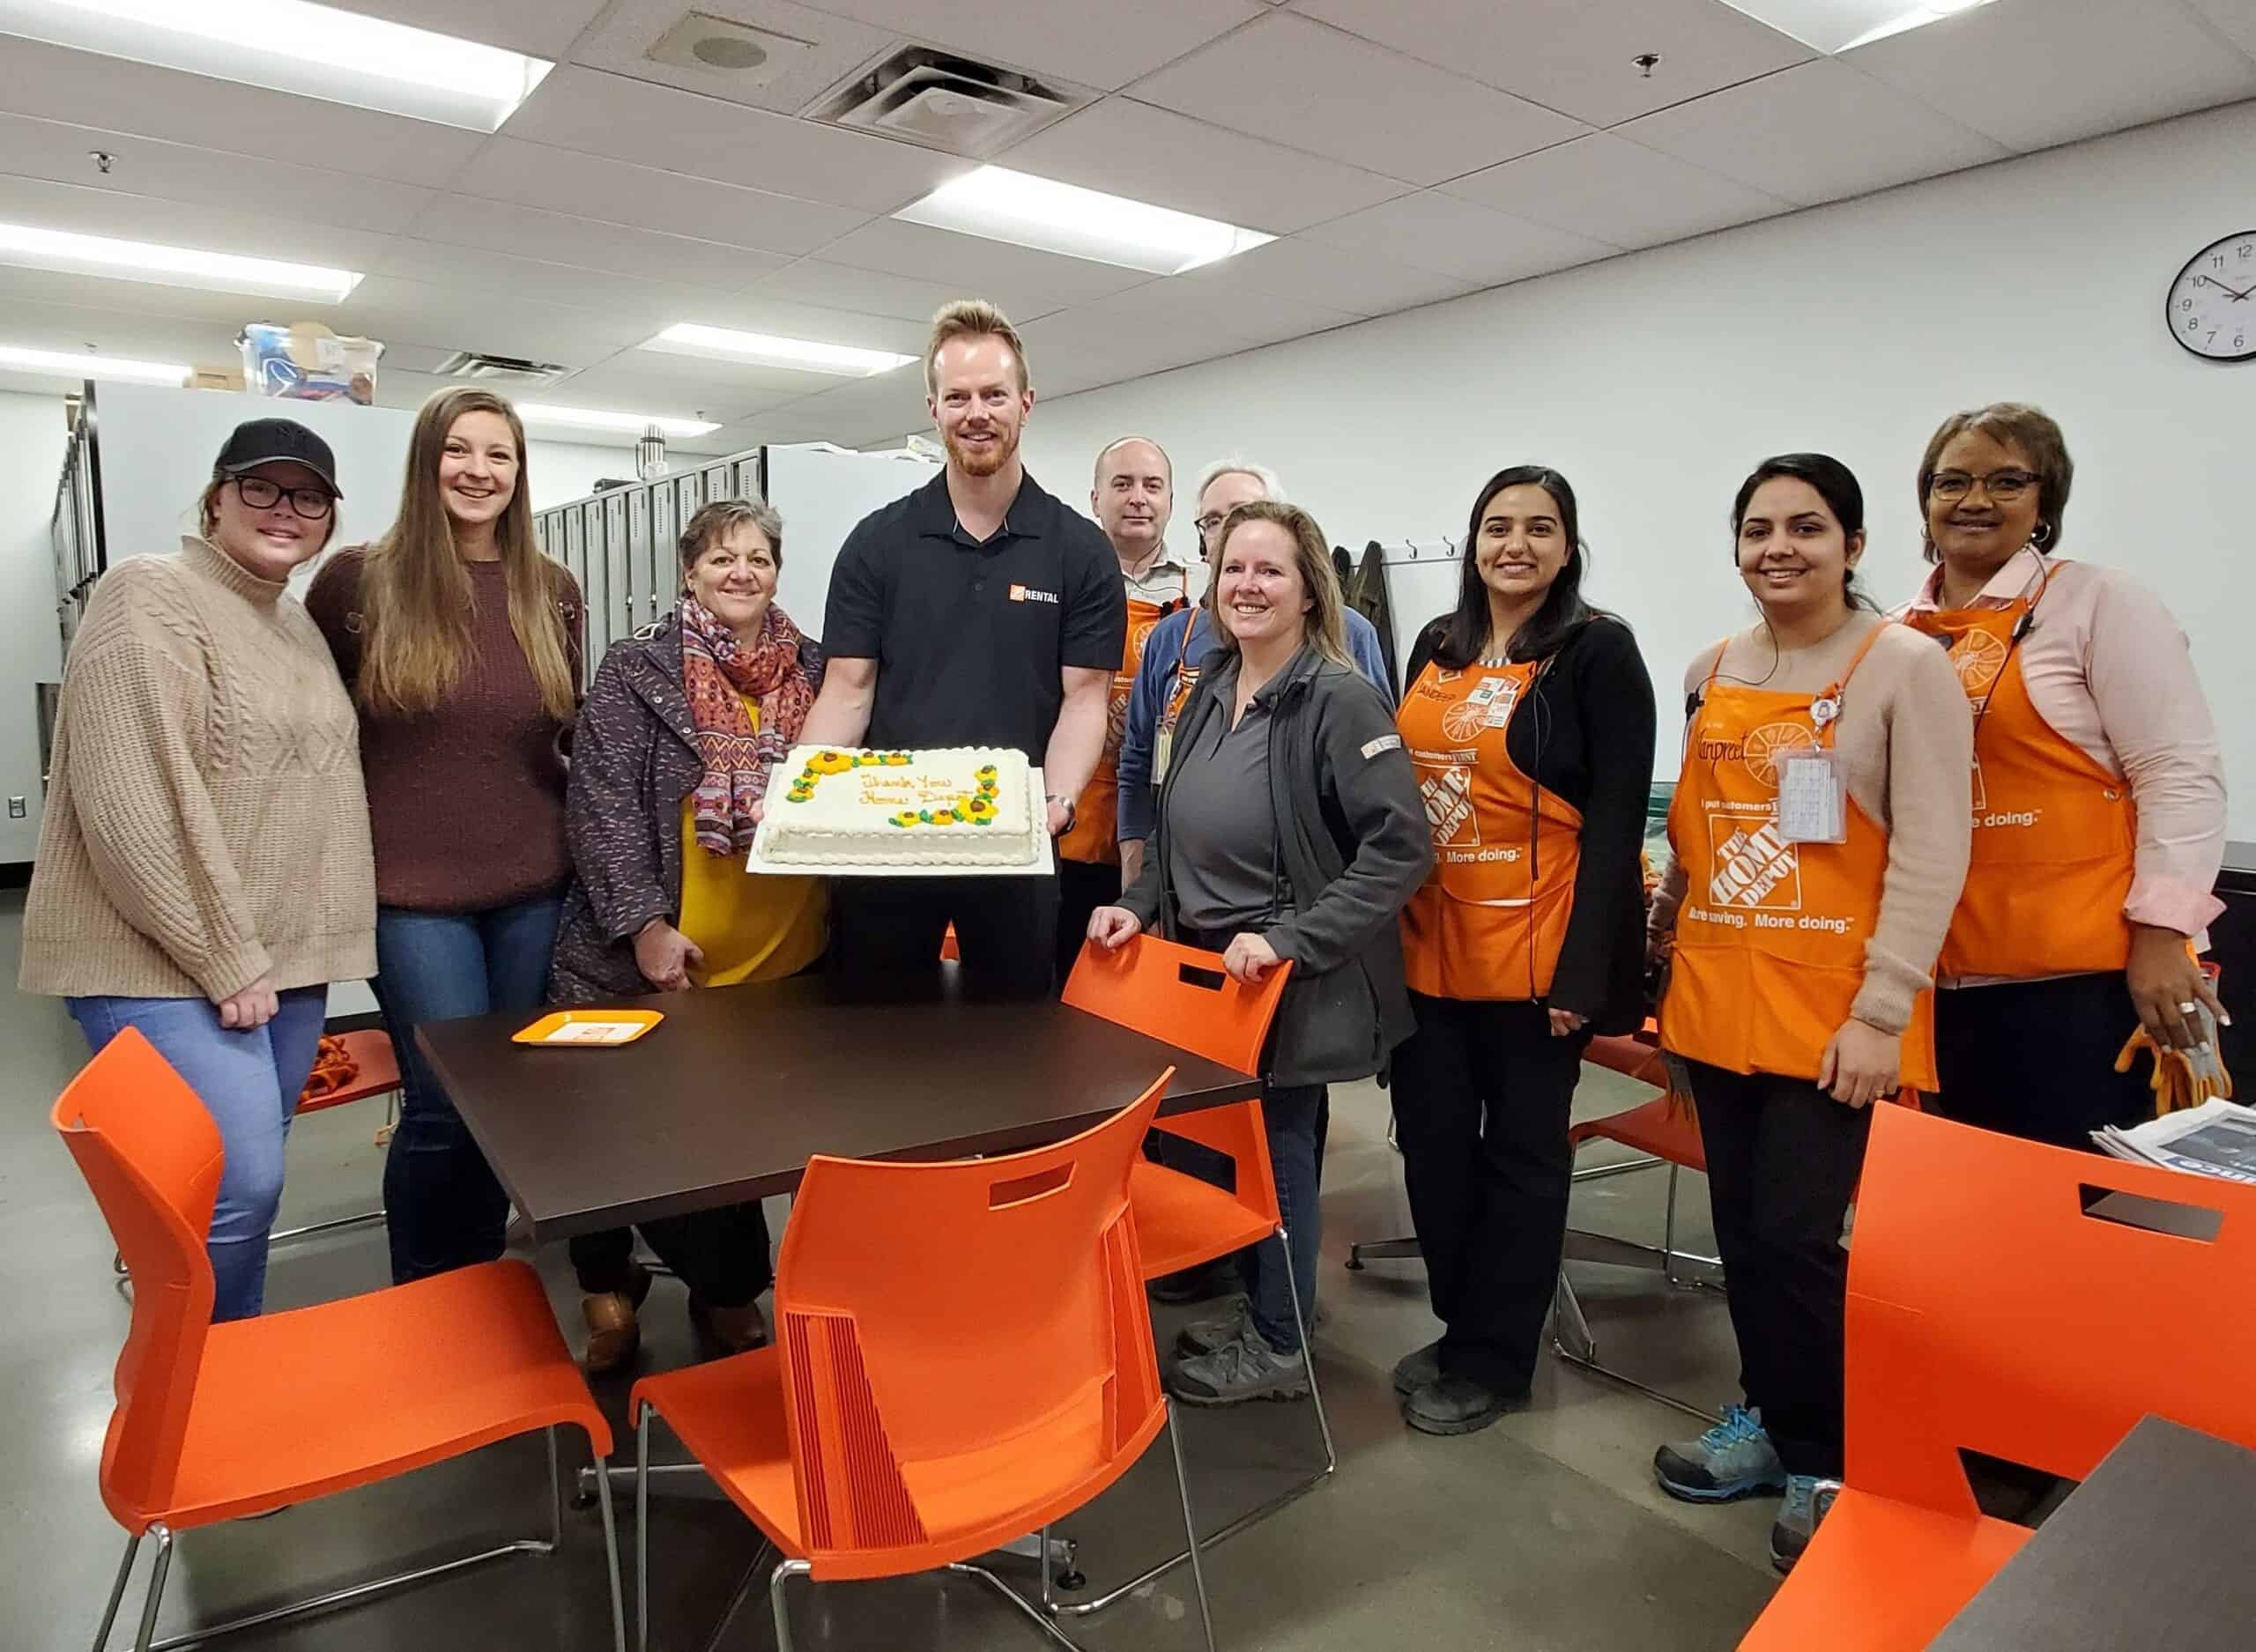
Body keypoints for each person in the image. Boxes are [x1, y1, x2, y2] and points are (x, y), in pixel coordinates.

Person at [1645, 454, 1970, 1573]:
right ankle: (1771, 1419)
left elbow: (1933, 849)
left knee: (1797, 1239)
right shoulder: (1711, 668)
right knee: (1743, 1236)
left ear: (1854, 545)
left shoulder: (1904, 666)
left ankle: (1835, 1457)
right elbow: (1695, 837)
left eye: (1806, 526)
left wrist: (1882, 1011)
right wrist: (1664, 938)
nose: (1778, 548)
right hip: (1717, 998)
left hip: (1837, 1017)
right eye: (1758, 529)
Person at [23, 419, 375, 1321]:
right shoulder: (147, 593)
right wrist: (227, 958)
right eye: (261, 488)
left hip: (279, 964)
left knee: (247, 1183)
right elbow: (129, 803)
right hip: (163, 960)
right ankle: (191, 1374)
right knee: (235, 1181)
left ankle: (227, 1356)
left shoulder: (293, 623)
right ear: (216, 498)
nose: (284, 510)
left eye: (308, 497)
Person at [1088, 500, 1432, 1406]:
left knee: (1275, 1158)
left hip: (1282, 978)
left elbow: (1400, 848)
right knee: (1233, 1156)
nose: (1246, 585)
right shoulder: (1210, 682)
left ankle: (1280, 1342)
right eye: (1233, 568)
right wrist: (1136, 905)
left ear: (1309, 590)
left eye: (1269, 570)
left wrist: (1290, 940)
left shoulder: (1339, 698)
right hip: (1201, 973)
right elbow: (1176, 830)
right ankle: (1266, 1308)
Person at [1388, 466, 1656, 1436]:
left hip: (1537, 962)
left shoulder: (1598, 652)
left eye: (1540, 528)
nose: (1516, 544)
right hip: (1427, 948)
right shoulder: (1437, 643)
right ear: (1473, 543)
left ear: (1568, 547)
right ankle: (1463, 1324)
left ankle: (1497, 1358)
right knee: (1430, 1149)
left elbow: (1616, 828)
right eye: (1498, 526)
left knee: (1521, 1159)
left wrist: (1584, 973)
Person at [308, 388, 583, 1285]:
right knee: (441, 1104)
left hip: (534, 885)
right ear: (426, 462)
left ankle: (487, 1282)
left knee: (508, 1095)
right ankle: (432, 1296)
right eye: (458, 450)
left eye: (498, 454)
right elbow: (316, 728)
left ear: (519, 471)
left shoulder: (551, 590)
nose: (478, 471)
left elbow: (566, 732)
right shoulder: (359, 582)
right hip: (411, 897)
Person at [1895, 403, 2228, 1147]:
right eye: (1952, 481)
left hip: (2083, 983)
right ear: (1926, 499)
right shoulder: (1894, 633)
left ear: (2045, 503)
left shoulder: (2099, 603)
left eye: (2006, 481)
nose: (1975, 500)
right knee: (1961, 1192)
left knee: (2080, 1195)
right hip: (1932, 981)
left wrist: (2162, 933)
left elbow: (2178, 772)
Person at [548, 498, 823, 1372]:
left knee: (729, 1142)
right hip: (658, 949)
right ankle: (606, 1285)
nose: (742, 572)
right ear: (689, 571)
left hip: (781, 951)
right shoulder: (638, 667)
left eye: (758, 558)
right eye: (721, 558)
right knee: (617, 1130)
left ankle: (725, 1288)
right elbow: (600, 805)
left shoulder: (817, 666)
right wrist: (643, 925)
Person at [793, 300, 1124, 997]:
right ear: (933, 409)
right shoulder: (877, 543)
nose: (977, 413)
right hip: (887, 844)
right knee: (876, 1036)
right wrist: (803, 789)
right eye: (958, 397)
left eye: (994, 395)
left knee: (1011, 1040)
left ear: (1026, 403)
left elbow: (1084, 700)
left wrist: (1057, 799)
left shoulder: (1080, 551)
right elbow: (847, 691)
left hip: (1014, 844)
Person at [1117, 457, 1394, 888]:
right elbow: (1138, 760)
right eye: (1213, 521)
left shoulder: (1350, 635)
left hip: (1304, 891)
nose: (1230, 530)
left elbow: (1382, 811)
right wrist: (1139, 882)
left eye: (1244, 513)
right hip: (1183, 882)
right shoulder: (1176, 642)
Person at [1053, 436, 1202, 989]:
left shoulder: (1205, 591)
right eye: (1122, 484)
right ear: (1095, 498)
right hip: (1074, 824)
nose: (1138, 497)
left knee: (1151, 994)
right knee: (1066, 984)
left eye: (1152, 485)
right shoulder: (1063, 582)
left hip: (1169, 832)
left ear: (1171, 501)